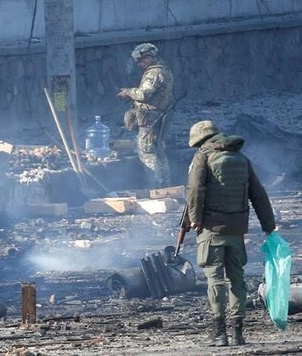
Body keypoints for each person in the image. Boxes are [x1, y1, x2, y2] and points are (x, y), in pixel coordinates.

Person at [181, 120, 276, 346]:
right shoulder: (242, 159)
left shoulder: (202, 157)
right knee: (237, 279)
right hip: (236, 229)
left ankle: (219, 333)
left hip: (211, 229)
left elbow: (194, 190)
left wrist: (194, 219)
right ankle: (238, 333)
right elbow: (259, 194)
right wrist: (269, 226)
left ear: (201, 141)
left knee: (215, 280)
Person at [117, 42, 175, 187]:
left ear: (149, 57)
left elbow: (144, 94)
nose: (139, 64)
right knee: (159, 151)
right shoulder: (165, 70)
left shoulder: (154, 73)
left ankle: (155, 185)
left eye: (141, 60)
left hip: (150, 119)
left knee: (147, 152)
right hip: (158, 117)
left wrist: (128, 92)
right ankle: (165, 185)